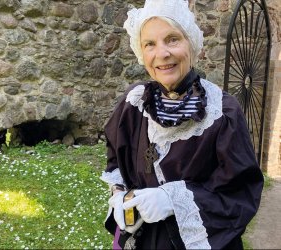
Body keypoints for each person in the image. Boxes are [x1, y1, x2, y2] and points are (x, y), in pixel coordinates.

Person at [100, 0, 264, 249]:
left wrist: (173, 200)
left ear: (192, 43)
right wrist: (120, 194)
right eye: (150, 44)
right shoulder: (133, 104)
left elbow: (240, 196)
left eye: (172, 39)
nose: (162, 54)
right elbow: (116, 159)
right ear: (141, 52)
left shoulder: (222, 112)